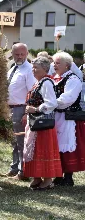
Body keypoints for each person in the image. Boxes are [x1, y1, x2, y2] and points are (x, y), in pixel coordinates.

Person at [22, 57, 62, 190]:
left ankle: (48, 179)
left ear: (45, 69)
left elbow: (51, 103)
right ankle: (37, 177)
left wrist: (36, 109)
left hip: (43, 124)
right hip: (34, 122)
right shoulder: (38, 82)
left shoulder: (46, 82)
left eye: (36, 68)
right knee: (33, 149)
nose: (33, 70)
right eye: (32, 67)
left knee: (42, 150)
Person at [52, 52, 85, 186]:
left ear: (67, 65)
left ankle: (68, 176)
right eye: (54, 62)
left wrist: (51, 103)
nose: (55, 65)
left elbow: (68, 98)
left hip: (68, 118)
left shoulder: (73, 79)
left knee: (67, 144)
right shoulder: (55, 78)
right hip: (57, 116)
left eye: (58, 63)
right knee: (57, 144)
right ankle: (58, 175)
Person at [5, 43, 36, 180]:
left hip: (21, 108)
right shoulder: (13, 68)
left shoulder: (29, 70)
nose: (20, 57)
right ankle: (14, 167)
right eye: (17, 54)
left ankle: (23, 171)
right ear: (12, 54)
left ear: (27, 53)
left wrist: (26, 112)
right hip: (10, 108)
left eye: (22, 54)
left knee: (21, 140)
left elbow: (32, 92)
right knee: (14, 140)